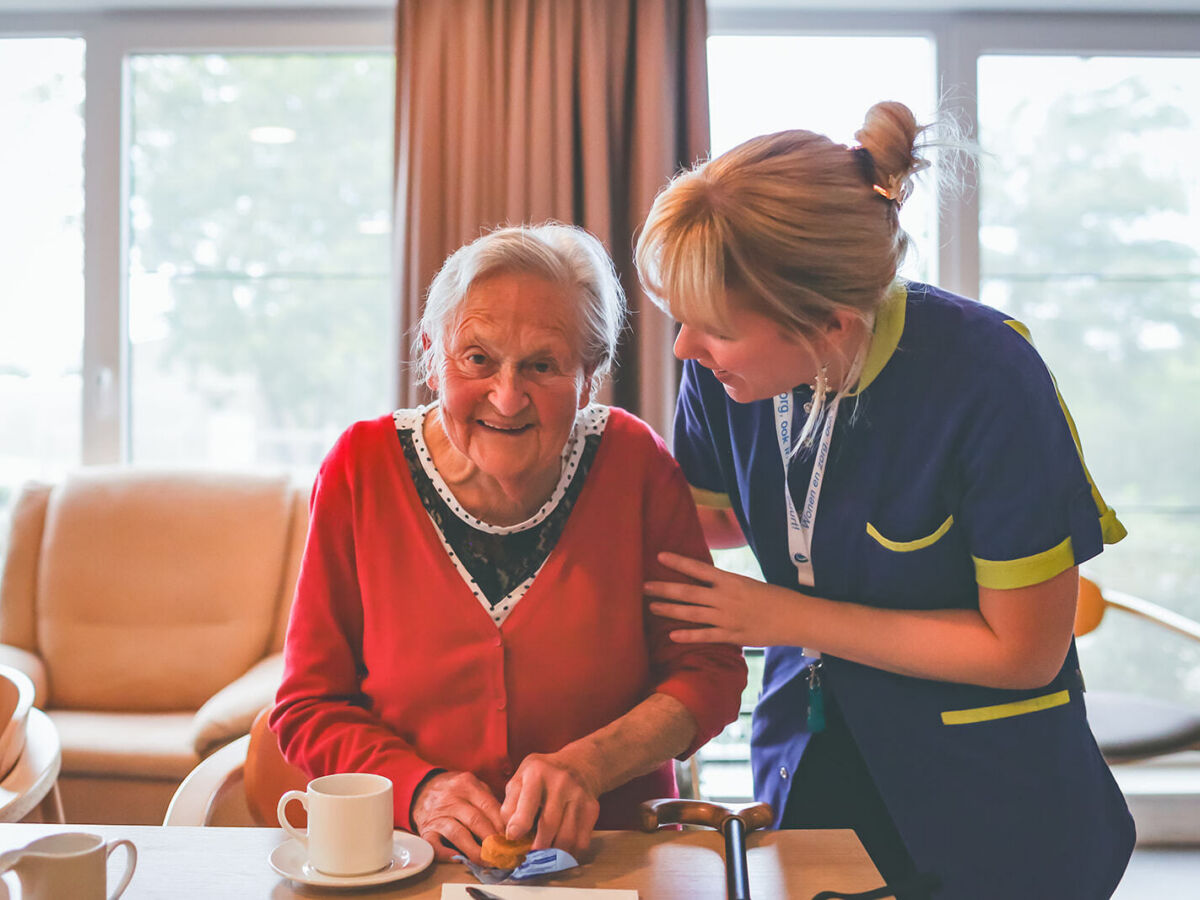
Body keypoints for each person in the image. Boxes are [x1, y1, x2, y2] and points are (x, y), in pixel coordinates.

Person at [635, 102, 1135, 899]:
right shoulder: (717, 371)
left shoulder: (987, 379)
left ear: (827, 324)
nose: (685, 349)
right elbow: (718, 517)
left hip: (989, 796)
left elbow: (1022, 651)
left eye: (712, 329)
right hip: (813, 765)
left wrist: (783, 617)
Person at [271, 223, 746, 865]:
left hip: (611, 860)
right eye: (477, 358)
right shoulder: (361, 468)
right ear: (432, 359)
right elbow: (309, 705)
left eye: (542, 365)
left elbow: (708, 674)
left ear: (589, 378)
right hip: (410, 863)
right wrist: (420, 789)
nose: (506, 395)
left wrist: (592, 764)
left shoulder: (635, 465)